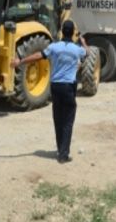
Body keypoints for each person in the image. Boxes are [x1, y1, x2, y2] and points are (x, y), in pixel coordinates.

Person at [12, 20, 87, 164]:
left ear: (61, 31)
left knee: (58, 119)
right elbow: (87, 53)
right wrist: (82, 41)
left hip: (55, 87)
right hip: (68, 87)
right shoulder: (77, 49)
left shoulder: (53, 47)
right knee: (68, 121)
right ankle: (63, 155)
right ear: (72, 33)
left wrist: (21, 61)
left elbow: (38, 56)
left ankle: (60, 149)